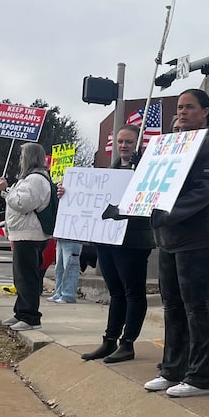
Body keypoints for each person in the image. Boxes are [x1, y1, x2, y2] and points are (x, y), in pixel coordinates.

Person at [140, 89, 209, 398]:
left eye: (189, 107)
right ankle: (173, 369)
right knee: (172, 304)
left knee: (196, 306)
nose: (182, 111)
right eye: (180, 107)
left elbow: (205, 190)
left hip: (198, 233)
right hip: (171, 235)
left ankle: (202, 377)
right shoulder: (172, 144)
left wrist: (168, 213)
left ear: (205, 111)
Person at [79, 124, 155, 364]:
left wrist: (141, 168)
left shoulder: (146, 170)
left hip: (133, 239)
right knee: (115, 291)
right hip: (107, 238)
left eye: (129, 142)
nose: (124, 146)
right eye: (120, 141)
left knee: (133, 291)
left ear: (138, 144)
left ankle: (128, 342)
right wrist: (67, 192)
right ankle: (109, 340)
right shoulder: (108, 174)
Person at [0, 143, 53, 332]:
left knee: (27, 277)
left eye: (22, 157)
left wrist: (7, 190)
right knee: (21, 277)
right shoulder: (32, 179)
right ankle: (21, 312)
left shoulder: (35, 179)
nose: (20, 160)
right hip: (25, 233)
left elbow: (23, 204)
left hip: (29, 235)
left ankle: (30, 317)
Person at [49, 238, 82, 304]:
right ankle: (59, 293)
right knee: (59, 267)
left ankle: (68, 295)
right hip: (61, 237)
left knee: (70, 266)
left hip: (73, 238)